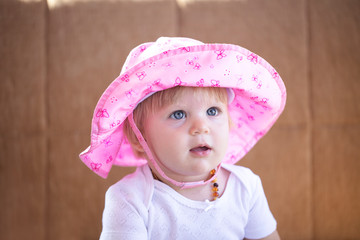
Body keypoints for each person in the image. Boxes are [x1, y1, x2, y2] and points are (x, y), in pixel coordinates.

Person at [79, 37, 286, 239]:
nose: (201, 127)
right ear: (139, 137)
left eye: (213, 111)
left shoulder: (245, 187)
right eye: (178, 114)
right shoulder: (130, 200)